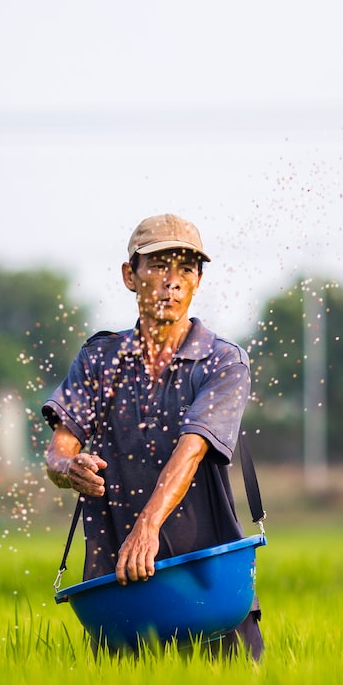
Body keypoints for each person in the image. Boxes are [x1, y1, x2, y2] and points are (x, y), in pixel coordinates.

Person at [41, 213, 263, 660]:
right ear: (130, 275)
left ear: (199, 281)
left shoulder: (222, 362)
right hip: (120, 586)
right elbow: (58, 450)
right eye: (159, 266)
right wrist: (70, 468)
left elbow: (191, 449)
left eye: (186, 268)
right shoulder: (99, 360)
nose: (172, 282)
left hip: (210, 580)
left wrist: (147, 527)